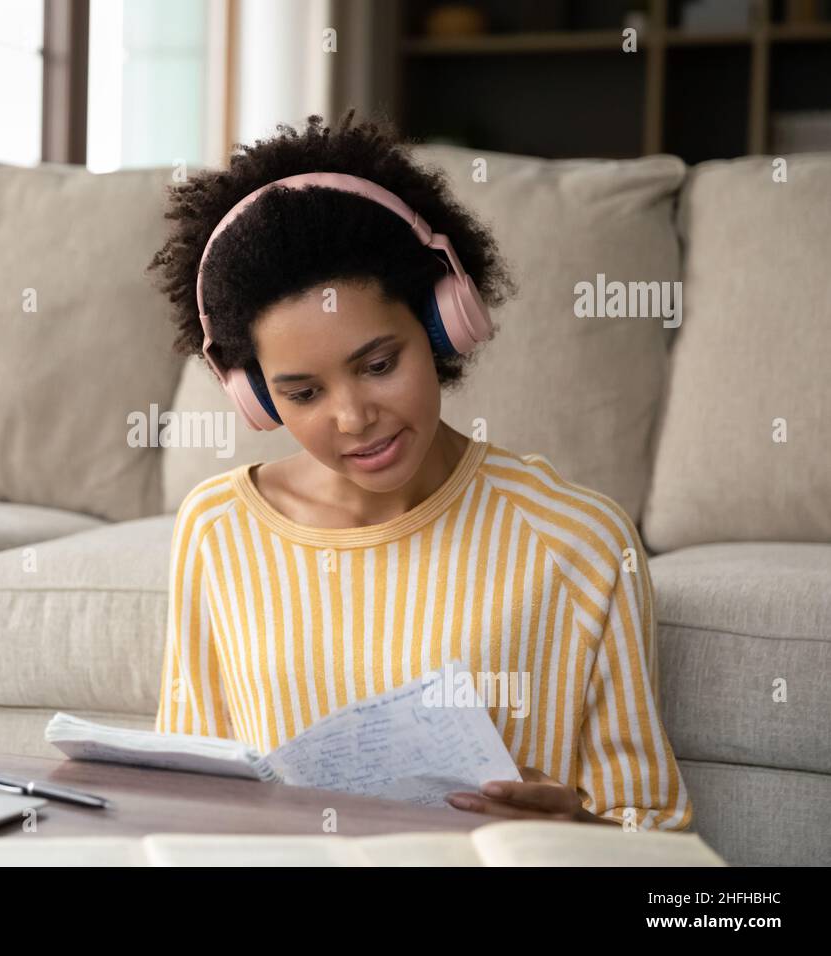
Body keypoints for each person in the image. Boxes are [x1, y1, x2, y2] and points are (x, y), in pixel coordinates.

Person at [146, 109, 693, 831]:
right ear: (255, 396)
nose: (351, 417)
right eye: (302, 393)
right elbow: (182, 794)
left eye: (377, 365)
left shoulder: (579, 540)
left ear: (443, 321)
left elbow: (655, 831)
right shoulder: (217, 529)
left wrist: (578, 829)